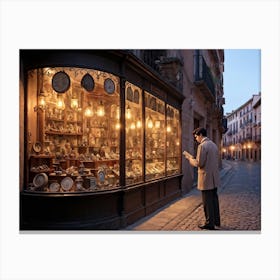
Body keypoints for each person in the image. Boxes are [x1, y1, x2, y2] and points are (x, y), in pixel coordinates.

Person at [183, 127, 221, 230]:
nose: (196, 139)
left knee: (207, 202)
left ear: (200, 135)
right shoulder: (213, 145)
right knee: (214, 200)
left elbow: (199, 163)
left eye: (196, 137)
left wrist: (190, 158)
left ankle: (209, 223)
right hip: (214, 178)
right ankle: (216, 221)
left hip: (206, 178)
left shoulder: (202, 146)